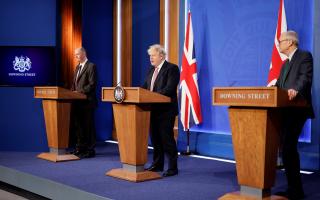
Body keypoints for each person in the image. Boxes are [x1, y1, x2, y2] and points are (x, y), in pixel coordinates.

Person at [275, 31, 314, 199]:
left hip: (298, 109)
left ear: (290, 42)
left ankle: (296, 191)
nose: (279, 44)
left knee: (289, 147)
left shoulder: (304, 56)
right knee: (287, 149)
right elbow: (278, 86)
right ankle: (293, 189)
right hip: (284, 110)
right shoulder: (284, 64)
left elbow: (305, 78)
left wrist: (295, 89)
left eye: (281, 41)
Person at [142, 44, 180, 177]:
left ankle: (172, 167)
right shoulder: (151, 71)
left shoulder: (172, 68)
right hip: (152, 110)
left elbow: (169, 89)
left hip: (166, 111)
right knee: (156, 139)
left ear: (161, 56)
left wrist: (152, 96)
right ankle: (158, 164)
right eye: (150, 56)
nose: (150, 58)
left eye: (153, 55)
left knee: (167, 139)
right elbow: (145, 88)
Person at [70, 47, 97, 158]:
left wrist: (79, 92)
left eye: (77, 54)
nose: (75, 56)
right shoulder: (77, 68)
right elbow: (74, 84)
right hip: (77, 102)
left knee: (87, 127)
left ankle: (90, 150)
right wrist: (71, 93)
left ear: (84, 53)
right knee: (79, 127)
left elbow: (92, 84)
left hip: (87, 102)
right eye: (75, 54)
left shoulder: (91, 66)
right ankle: (80, 148)